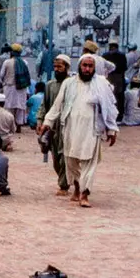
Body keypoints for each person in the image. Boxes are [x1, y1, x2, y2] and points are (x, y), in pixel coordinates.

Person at [43, 53, 118, 207]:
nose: (87, 69)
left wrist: (111, 130)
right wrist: (47, 122)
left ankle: (85, 194)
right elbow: (57, 105)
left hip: (91, 130)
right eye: (85, 65)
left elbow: (109, 109)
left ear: (94, 68)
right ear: (79, 66)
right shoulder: (69, 83)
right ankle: (77, 188)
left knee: (89, 163)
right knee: (71, 161)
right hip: (70, 129)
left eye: (90, 66)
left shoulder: (102, 85)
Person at [36, 54, 72, 196]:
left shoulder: (72, 85)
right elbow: (44, 105)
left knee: (65, 156)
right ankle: (64, 180)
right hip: (53, 127)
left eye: (60, 67)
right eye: (55, 67)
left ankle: (64, 185)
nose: (57, 69)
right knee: (56, 158)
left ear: (67, 68)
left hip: (68, 126)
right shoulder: (50, 85)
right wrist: (40, 121)